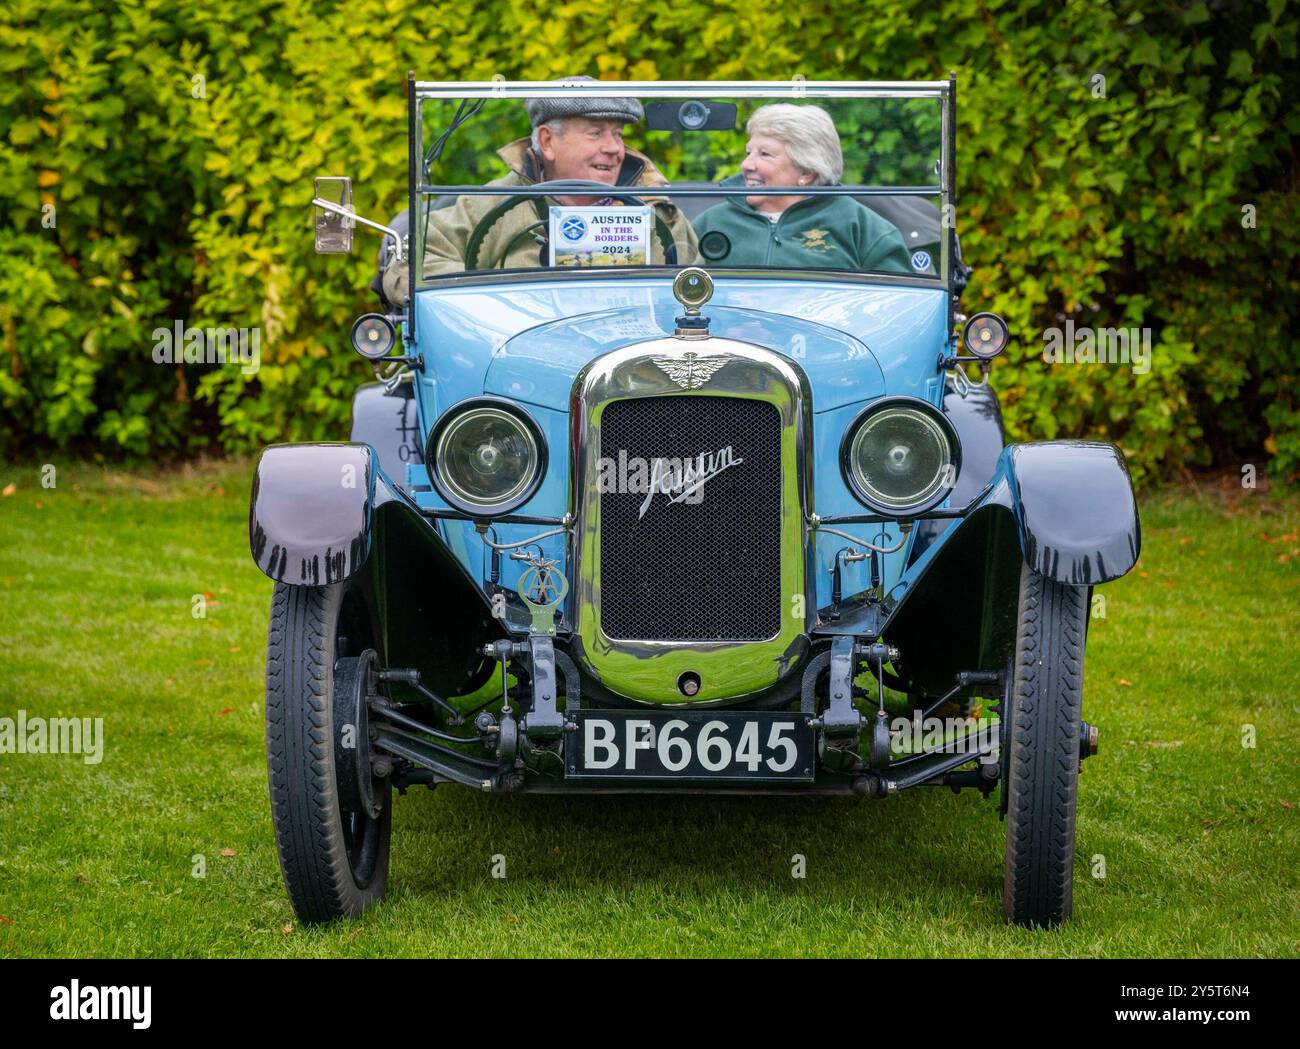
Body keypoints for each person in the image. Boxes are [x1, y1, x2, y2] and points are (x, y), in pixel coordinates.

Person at [382, 78, 697, 303]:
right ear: (547, 141)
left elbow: (698, 288)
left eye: (617, 134)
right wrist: (490, 302)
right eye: (596, 133)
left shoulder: (657, 210)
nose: (614, 148)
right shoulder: (491, 203)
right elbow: (416, 264)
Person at [692, 103, 913, 274]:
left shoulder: (862, 227)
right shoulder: (711, 223)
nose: (746, 165)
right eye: (748, 152)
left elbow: (898, 307)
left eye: (764, 154)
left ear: (807, 173)